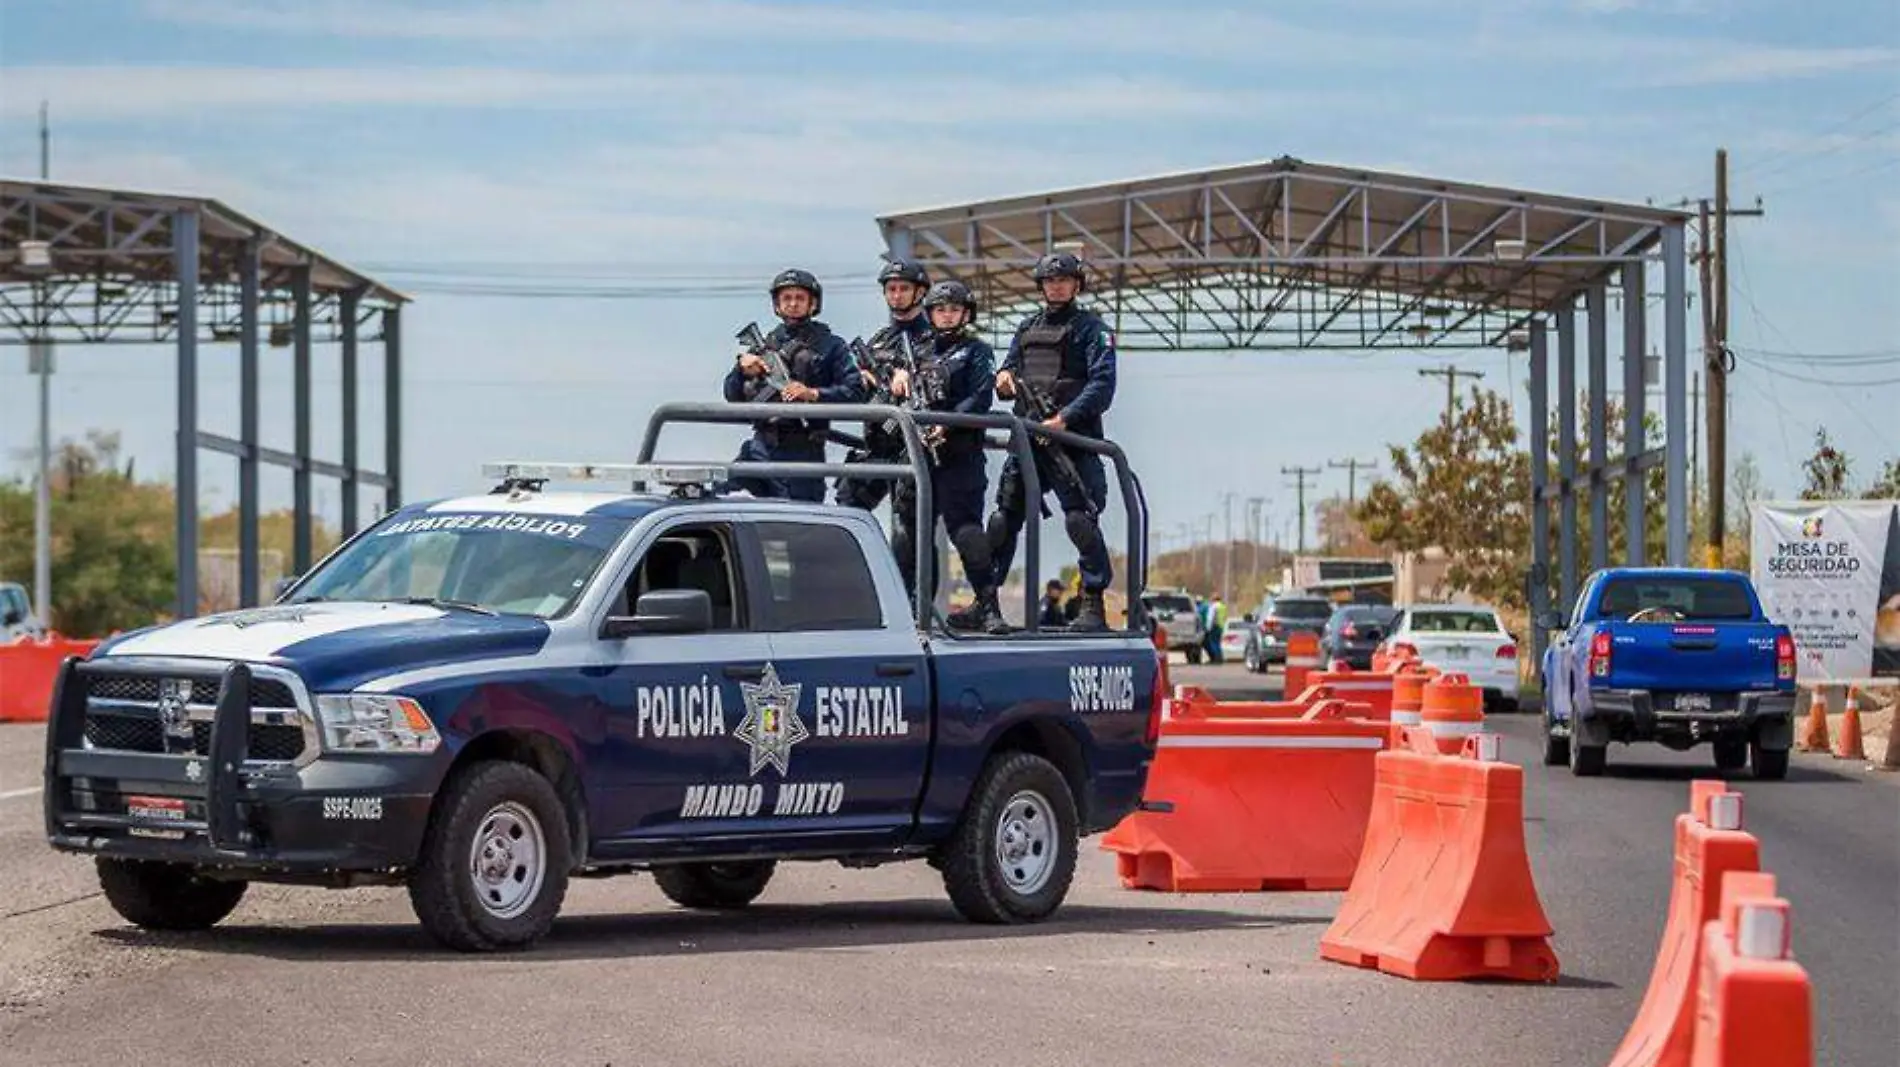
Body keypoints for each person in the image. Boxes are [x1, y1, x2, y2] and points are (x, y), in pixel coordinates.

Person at [984, 251, 1117, 631]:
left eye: (1063, 280)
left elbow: (1103, 385)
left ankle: (1092, 604)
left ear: (1077, 284)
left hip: (1073, 442)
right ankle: (986, 601)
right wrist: (1004, 378)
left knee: (1080, 520)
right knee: (1002, 520)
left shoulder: (1092, 329)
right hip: (1029, 441)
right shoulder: (1027, 328)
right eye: (1049, 280)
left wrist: (1066, 418)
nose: (1056, 286)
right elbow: (1007, 370)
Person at [886, 280, 1005, 633]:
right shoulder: (914, 352)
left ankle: (988, 606)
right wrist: (896, 378)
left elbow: (980, 397)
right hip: (916, 456)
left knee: (966, 531)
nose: (947, 315)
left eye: (954, 309)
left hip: (959, 456)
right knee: (907, 535)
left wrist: (946, 427)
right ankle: (907, 608)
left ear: (966, 314)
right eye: (940, 309)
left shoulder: (977, 351)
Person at [723, 268, 861, 501]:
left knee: (801, 523)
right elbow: (731, 395)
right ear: (777, 304)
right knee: (724, 500)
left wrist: (813, 394)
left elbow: (855, 391)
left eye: (800, 298)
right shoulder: (765, 346)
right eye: (786, 298)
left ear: (812, 303)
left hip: (804, 448)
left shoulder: (831, 346)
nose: (793, 304)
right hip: (760, 446)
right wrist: (741, 370)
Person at [837, 257, 933, 511]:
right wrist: (860, 377)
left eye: (904, 289)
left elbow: (943, 376)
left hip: (913, 447)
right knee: (847, 508)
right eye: (891, 289)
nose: (897, 295)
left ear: (920, 292)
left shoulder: (932, 339)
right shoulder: (880, 339)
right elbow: (853, 379)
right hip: (877, 445)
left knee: (909, 532)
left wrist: (910, 376)